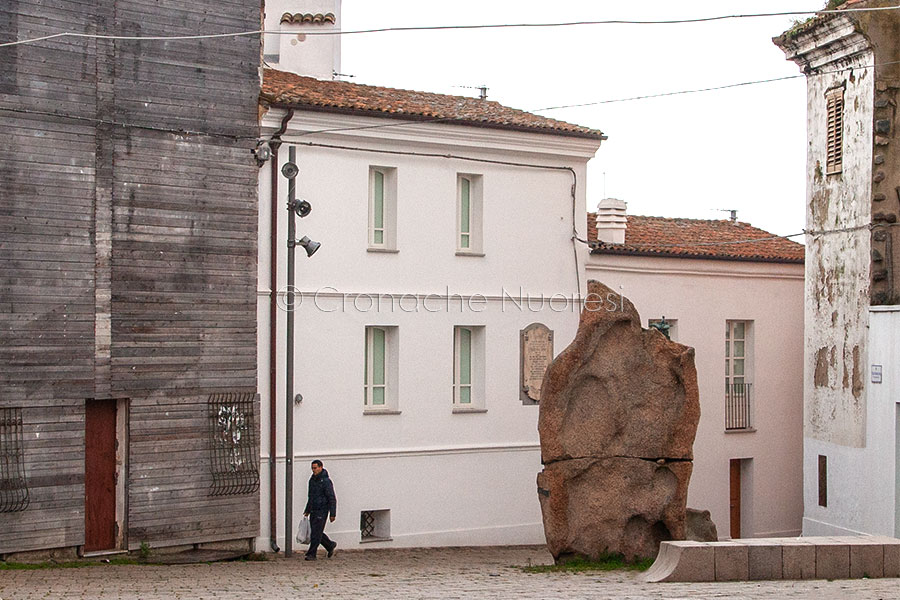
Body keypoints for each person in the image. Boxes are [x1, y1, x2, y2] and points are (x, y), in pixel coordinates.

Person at [303, 459, 337, 560]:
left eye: (315, 468)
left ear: (320, 467)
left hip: (322, 509)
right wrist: (307, 510)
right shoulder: (312, 480)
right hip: (314, 509)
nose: (314, 470)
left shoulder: (326, 481)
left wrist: (332, 513)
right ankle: (329, 545)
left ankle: (312, 553)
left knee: (316, 532)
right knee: (316, 531)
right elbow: (311, 496)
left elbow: (331, 497)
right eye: (312, 468)